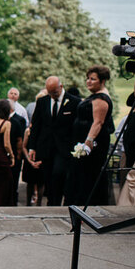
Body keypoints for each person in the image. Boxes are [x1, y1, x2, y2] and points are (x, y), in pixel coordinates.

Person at [28, 76, 81, 206]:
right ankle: (52, 203)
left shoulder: (74, 102)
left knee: (58, 174)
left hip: (64, 147)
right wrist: (32, 147)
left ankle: (59, 201)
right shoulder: (42, 102)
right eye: (49, 92)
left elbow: (76, 127)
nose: (52, 95)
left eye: (55, 92)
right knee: (48, 177)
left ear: (61, 87)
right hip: (46, 147)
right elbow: (36, 125)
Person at [68, 66, 115, 206]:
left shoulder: (101, 99)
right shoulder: (94, 96)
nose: (88, 81)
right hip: (83, 142)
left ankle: (88, 204)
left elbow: (98, 123)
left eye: (93, 79)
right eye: (87, 78)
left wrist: (87, 143)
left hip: (93, 146)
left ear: (102, 81)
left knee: (89, 176)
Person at [8, 101, 26, 205]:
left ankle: (13, 199)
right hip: (6, 153)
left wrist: (18, 155)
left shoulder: (20, 119)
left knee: (14, 178)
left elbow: (20, 138)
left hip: (15, 151)